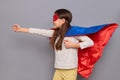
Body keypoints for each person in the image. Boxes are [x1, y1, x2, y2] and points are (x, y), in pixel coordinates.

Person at [13, 9, 94, 80]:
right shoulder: (55, 33)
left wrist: (74, 45)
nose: (53, 21)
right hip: (58, 68)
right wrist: (21, 29)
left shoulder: (75, 33)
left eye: (55, 18)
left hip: (70, 69)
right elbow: (40, 31)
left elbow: (90, 42)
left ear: (62, 21)